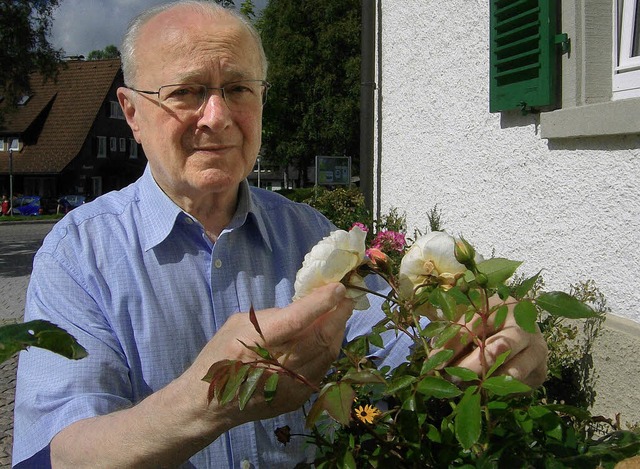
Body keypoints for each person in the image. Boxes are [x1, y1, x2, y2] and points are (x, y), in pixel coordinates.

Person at [12, 2, 548, 468]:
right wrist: (210, 402)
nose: (217, 117)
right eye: (187, 92)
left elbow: (399, 359)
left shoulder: (313, 236)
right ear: (132, 112)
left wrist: (488, 342)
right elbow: (56, 457)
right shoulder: (78, 255)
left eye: (238, 89)